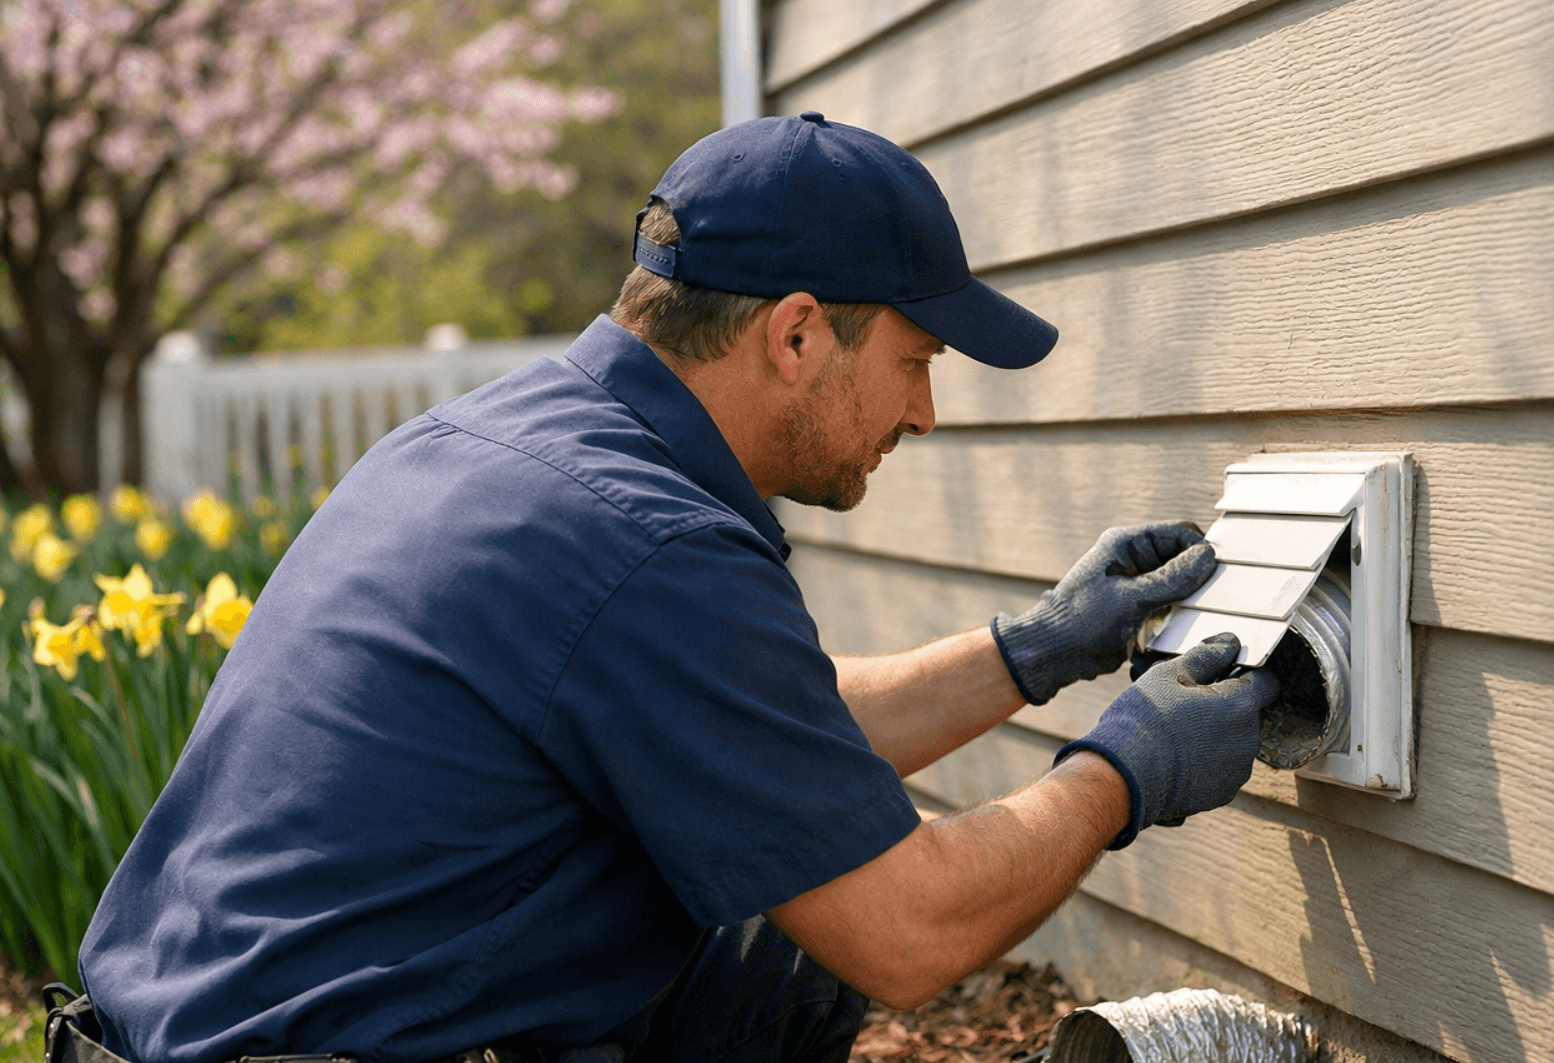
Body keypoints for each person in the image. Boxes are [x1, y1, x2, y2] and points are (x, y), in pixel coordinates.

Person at [71, 113, 1277, 1063]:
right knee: (813, 933)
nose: (922, 410)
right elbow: (909, 933)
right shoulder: (647, 543)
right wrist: (1126, 772)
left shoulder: (499, 447)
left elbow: (761, 736)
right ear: (796, 335)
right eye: (915, 362)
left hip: (189, 1035)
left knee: (772, 955)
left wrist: (1033, 652)